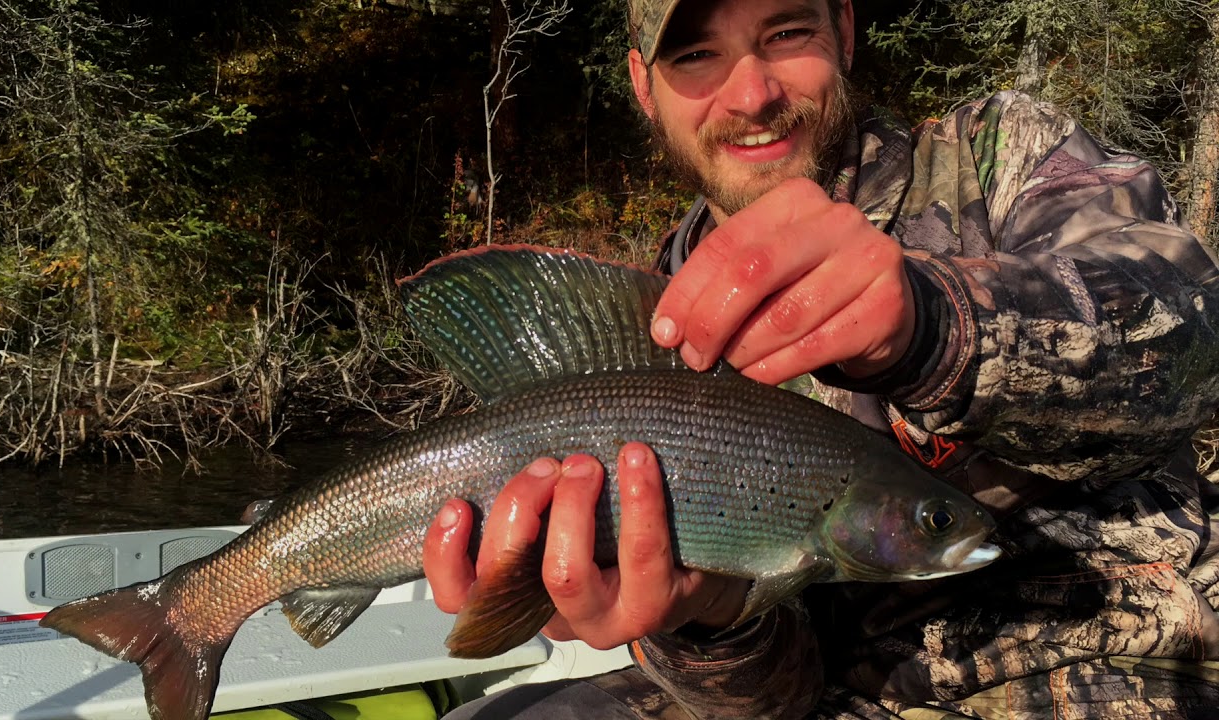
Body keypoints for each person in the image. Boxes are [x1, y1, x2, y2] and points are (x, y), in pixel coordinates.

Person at [422, 0, 1219, 717]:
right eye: (695, 55)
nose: (752, 95)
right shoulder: (658, 313)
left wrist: (936, 325)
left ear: (843, 28)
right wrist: (707, 618)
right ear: (642, 84)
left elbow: (1194, 325)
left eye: (786, 32)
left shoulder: (997, 151)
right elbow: (770, 699)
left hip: (1109, 674)